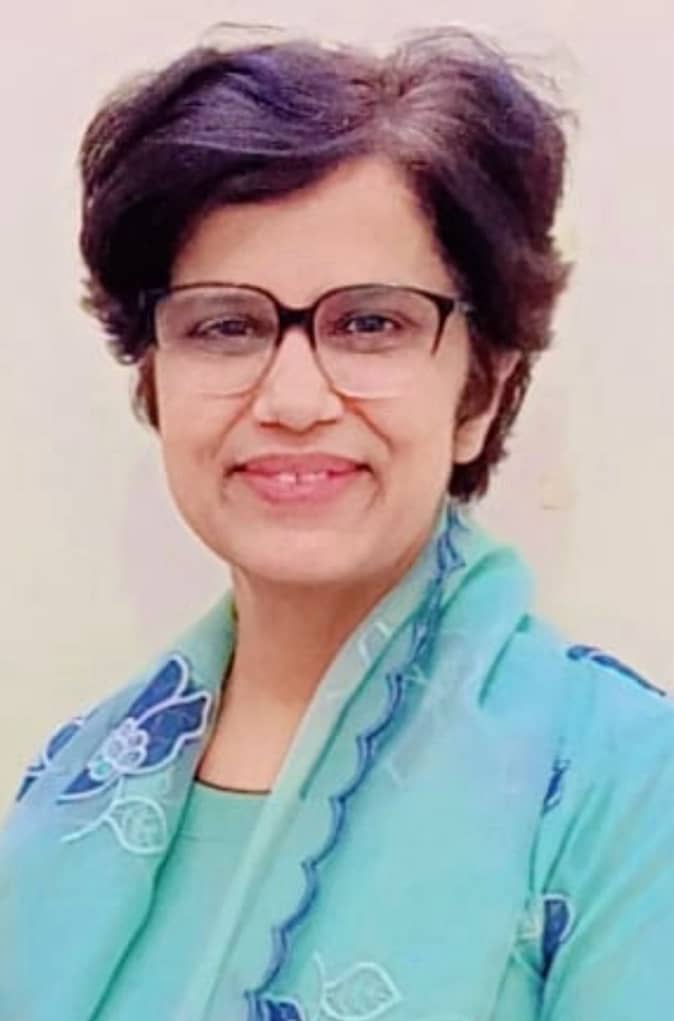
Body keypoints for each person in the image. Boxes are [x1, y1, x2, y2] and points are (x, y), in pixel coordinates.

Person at [1, 25, 672, 1021]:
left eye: (369, 323)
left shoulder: (624, 785)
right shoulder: (68, 783)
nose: (293, 398)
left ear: (480, 390)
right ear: (154, 381)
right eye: (224, 325)